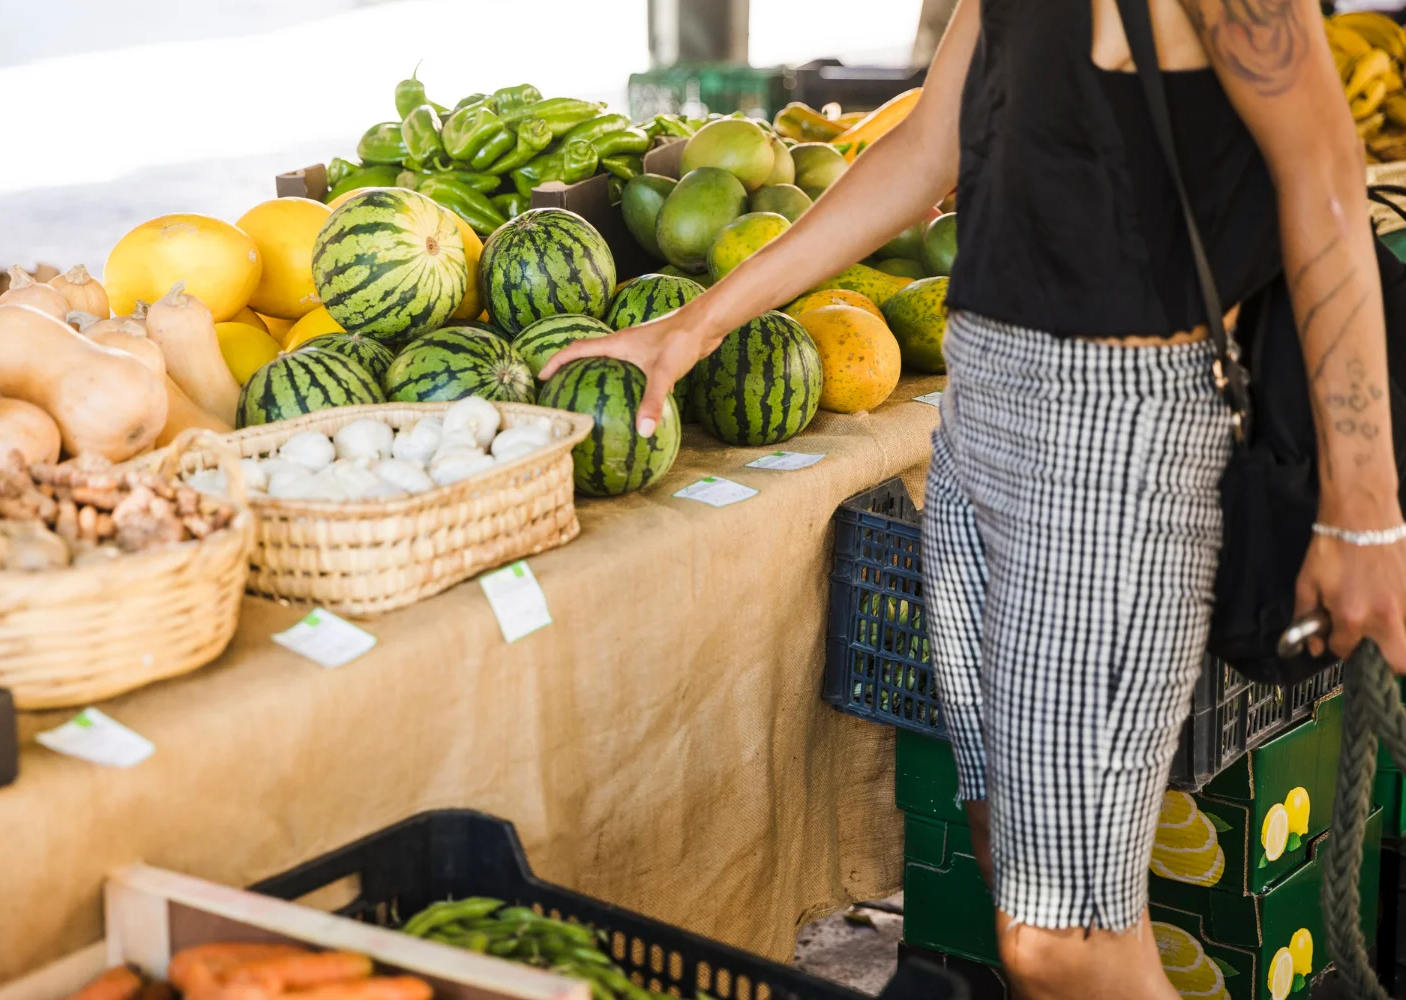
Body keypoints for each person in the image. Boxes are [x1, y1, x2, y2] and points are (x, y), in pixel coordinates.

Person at [544, 0, 1406, 996]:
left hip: (1111, 447)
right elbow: (924, 149)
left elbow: (1327, 180)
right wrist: (690, 329)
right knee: (1009, 854)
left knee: (1064, 937)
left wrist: (1364, 509)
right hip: (979, 419)